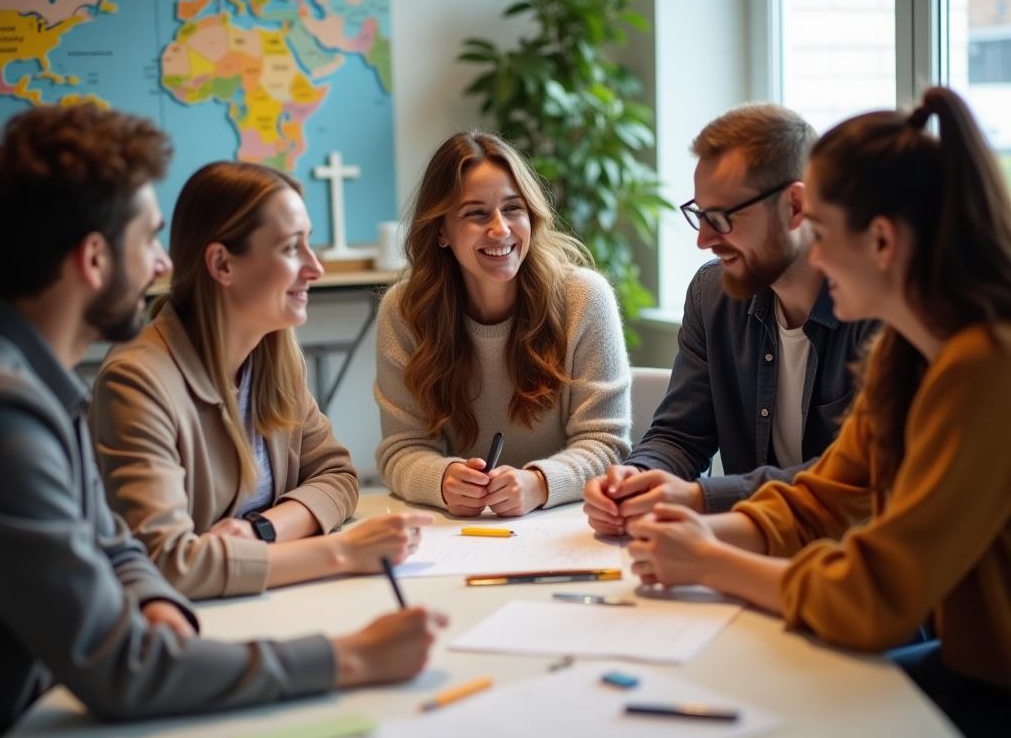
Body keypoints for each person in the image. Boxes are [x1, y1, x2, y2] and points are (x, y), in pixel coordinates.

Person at [0, 104, 441, 738]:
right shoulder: (5, 412)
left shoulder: (33, 386)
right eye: (147, 239)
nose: (162, 266)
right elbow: (123, 665)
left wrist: (155, 601)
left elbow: (114, 543)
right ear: (94, 259)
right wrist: (351, 656)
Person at [626, 87, 1010, 738]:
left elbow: (874, 598)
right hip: (967, 663)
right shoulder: (903, 352)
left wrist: (709, 561)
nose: (819, 257)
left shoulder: (983, 367)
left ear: (883, 241)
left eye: (825, 236)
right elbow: (824, 498)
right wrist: (690, 536)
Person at [90, 161, 432, 600]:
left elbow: (336, 475)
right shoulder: (136, 382)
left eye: (310, 244)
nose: (315, 268)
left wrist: (263, 530)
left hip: (271, 603)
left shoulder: (275, 351)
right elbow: (167, 564)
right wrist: (342, 551)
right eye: (292, 248)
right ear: (222, 264)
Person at [584, 104, 876, 536]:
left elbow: (854, 477)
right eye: (700, 216)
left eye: (721, 218)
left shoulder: (878, 309)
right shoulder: (713, 294)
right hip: (749, 549)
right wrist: (637, 478)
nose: (704, 240)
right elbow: (681, 436)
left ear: (795, 205)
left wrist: (703, 498)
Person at [375, 131, 631, 517]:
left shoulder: (584, 298)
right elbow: (400, 450)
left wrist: (540, 483)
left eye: (513, 209)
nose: (500, 229)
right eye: (476, 214)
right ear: (441, 231)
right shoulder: (404, 311)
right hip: (459, 531)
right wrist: (442, 480)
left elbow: (607, 444)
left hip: (564, 524)